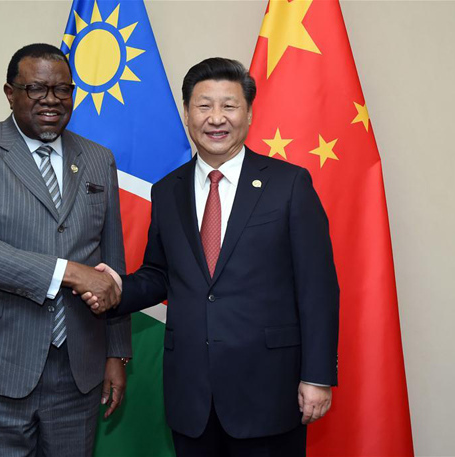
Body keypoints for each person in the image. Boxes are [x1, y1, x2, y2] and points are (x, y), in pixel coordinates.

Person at [82, 58, 339, 457]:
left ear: (249, 114)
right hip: (191, 394)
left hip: (269, 389)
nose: (216, 118)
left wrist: (318, 376)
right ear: (187, 114)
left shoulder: (288, 184)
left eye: (229, 106)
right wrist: (117, 289)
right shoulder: (168, 191)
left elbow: (318, 288)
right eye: (204, 106)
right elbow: (160, 274)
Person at [0, 43, 130, 457]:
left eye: (63, 89)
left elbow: (111, 263)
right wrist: (70, 271)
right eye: (36, 88)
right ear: (10, 93)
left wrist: (117, 352)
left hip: (78, 370)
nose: (51, 100)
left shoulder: (98, 159)